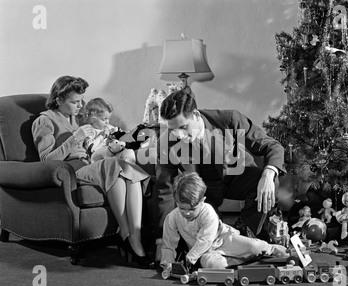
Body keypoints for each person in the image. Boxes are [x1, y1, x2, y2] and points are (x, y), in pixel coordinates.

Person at [31, 75, 154, 269]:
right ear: (58, 100)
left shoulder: (75, 117)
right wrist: (74, 138)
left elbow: (100, 119)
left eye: (81, 100)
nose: (80, 106)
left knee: (126, 171)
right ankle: (126, 234)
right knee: (114, 165)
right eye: (75, 102)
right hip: (71, 171)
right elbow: (46, 161)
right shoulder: (44, 121)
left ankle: (133, 236)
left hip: (90, 166)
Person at [154, 90, 286, 261]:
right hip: (203, 192)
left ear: (195, 114)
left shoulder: (229, 119)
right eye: (173, 129)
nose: (179, 135)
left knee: (269, 177)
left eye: (183, 127)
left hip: (234, 178)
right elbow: (164, 190)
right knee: (206, 247)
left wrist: (268, 174)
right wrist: (161, 241)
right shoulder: (166, 143)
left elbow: (272, 146)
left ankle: (248, 233)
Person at [161, 172, 288, 269]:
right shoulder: (172, 218)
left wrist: (190, 257)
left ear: (202, 201)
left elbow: (206, 239)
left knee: (254, 246)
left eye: (192, 209)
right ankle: (247, 261)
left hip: (225, 239)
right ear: (176, 202)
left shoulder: (208, 211)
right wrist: (168, 263)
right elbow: (168, 244)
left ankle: (278, 251)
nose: (187, 213)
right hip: (205, 252)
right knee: (213, 264)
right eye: (182, 208)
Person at [79, 97, 136, 163]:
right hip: (99, 158)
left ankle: (130, 169)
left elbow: (120, 135)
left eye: (108, 118)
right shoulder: (89, 131)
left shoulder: (108, 127)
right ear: (92, 119)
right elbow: (91, 149)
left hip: (113, 153)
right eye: (104, 119)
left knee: (129, 152)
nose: (107, 122)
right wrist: (102, 136)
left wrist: (122, 133)